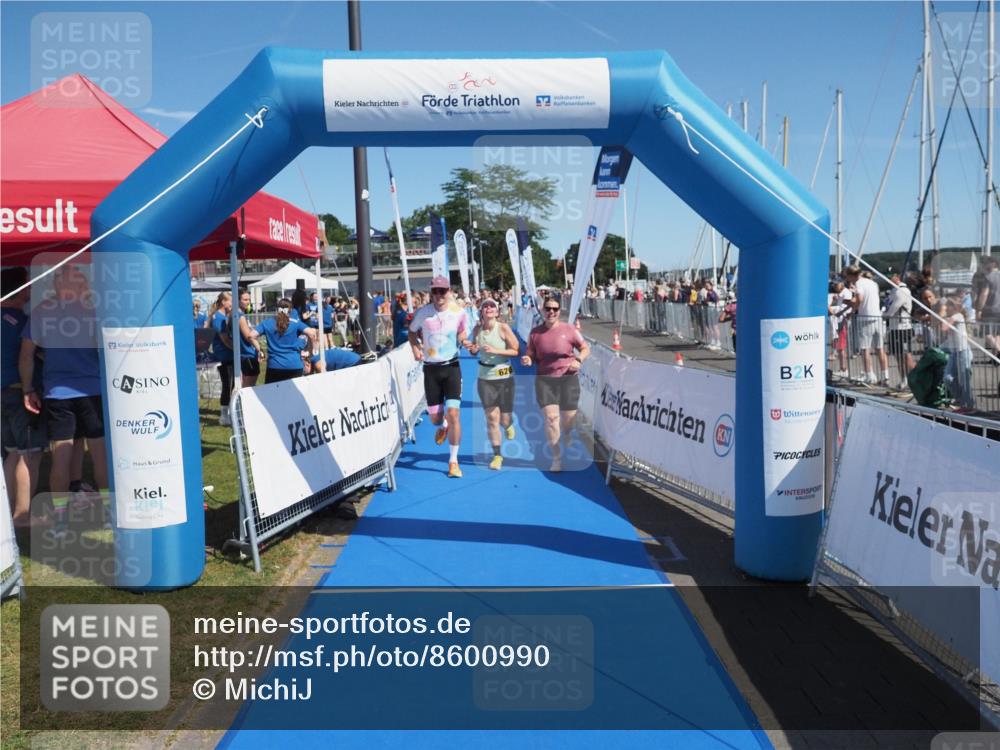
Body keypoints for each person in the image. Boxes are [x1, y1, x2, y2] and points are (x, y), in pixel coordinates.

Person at [19, 264, 108, 536]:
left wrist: (27, 389)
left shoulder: (41, 312)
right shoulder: (94, 311)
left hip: (57, 393)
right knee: (100, 455)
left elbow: (26, 355)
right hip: (91, 390)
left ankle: (60, 522)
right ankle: (108, 515)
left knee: (61, 456)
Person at [408, 276, 471, 478]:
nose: (438, 295)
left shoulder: (459, 312)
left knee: (454, 414)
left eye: (442, 291)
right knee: (435, 418)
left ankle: (453, 461)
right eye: (435, 291)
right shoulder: (423, 313)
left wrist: (464, 341)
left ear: (449, 291)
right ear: (431, 292)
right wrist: (415, 348)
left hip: (452, 367)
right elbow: (411, 332)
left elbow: (462, 332)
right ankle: (442, 425)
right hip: (431, 370)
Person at [521, 296, 590, 472]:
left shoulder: (569, 329)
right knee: (551, 419)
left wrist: (579, 360)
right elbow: (530, 352)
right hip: (545, 380)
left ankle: (566, 433)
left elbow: (585, 348)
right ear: (543, 310)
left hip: (568, 378)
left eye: (555, 309)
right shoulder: (535, 332)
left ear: (559, 311)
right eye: (548, 308)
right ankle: (557, 459)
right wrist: (528, 358)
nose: (551, 312)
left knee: (568, 420)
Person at [2, 268, 46, 529]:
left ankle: (7, 512)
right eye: (28, 286)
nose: (31, 290)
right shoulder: (20, 321)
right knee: (29, 454)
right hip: (20, 392)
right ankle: (22, 515)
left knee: (11, 453)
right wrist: (30, 388)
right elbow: (30, 354)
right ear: (18, 290)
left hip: (2, 392)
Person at [468, 297, 520, 470]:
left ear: (497, 311)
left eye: (492, 306)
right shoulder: (477, 329)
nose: (489, 308)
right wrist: (473, 349)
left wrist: (496, 350)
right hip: (485, 377)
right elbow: (473, 351)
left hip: (504, 376)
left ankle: (509, 424)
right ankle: (497, 455)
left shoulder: (503, 328)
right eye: (485, 306)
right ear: (481, 311)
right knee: (491, 418)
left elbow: (516, 350)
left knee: (504, 419)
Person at [844, 266, 890, 386]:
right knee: (880, 348)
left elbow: (859, 299)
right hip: (877, 316)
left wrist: (851, 307)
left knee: (865, 349)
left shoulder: (858, 284)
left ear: (851, 275)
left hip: (865, 318)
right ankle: (885, 376)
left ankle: (870, 375)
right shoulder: (873, 283)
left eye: (847, 276)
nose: (847, 278)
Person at [255, 299, 317, 383]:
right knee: (293, 395)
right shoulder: (295, 323)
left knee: (272, 395)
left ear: (277, 309)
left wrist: (259, 350)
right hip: (294, 365)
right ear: (291, 310)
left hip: (274, 366)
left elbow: (251, 336)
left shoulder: (266, 322)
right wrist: (311, 350)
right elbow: (312, 333)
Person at [208, 291, 234, 425]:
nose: (232, 303)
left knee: (232, 384)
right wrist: (236, 349)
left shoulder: (224, 315)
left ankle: (229, 412)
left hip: (228, 354)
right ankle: (224, 415)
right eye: (230, 300)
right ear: (223, 302)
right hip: (224, 355)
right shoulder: (218, 317)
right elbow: (224, 338)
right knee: (227, 384)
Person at [884, 274, 915, 389]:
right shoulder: (894, 291)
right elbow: (888, 306)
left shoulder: (902, 291)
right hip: (894, 328)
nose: (888, 280)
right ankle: (904, 380)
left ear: (897, 278)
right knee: (898, 356)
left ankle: (914, 381)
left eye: (891, 278)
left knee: (906, 356)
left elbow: (892, 310)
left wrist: (884, 315)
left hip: (903, 328)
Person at [229, 289, 263, 388]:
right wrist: (259, 349)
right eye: (245, 299)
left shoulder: (236, 314)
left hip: (244, 354)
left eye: (249, 299)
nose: (248, 302)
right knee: (249, 387)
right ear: (238, 300)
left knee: (245, 386)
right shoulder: (239, 316)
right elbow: (248, 336)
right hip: (248, 354)